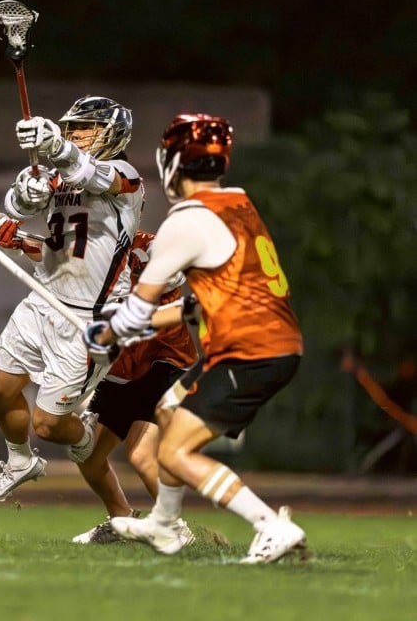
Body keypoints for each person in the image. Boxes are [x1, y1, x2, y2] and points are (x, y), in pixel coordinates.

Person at [84, 114, 306, 563]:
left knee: (176, 451)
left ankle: (270, 525)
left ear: (172, 162)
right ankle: (164, 526)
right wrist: (136, 323)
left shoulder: (185, 222)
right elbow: (196, 305)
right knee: (167, 411)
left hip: (249, 352)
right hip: (268, 342)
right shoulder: (239, 205)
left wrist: (105, 331)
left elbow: (135, 312)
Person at [0, 96, 144, 501]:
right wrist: (18, 209)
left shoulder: (124, 175)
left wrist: (57, 148)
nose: (76, 134)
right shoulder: (60, 174)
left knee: (49, 426)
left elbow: (93, 176)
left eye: (85, 127)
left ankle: (86, 435)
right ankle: (20, 460)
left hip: (91, 318)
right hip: (43, 297)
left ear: (113, 132)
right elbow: (19, 206)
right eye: (72, 128)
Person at [71, 229, 199, 544]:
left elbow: (163, 306)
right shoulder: (98, 253)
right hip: (122, 371)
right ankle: (121, 521)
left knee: (142, 455)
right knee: (89, 458)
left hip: (163, 366)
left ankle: (174, 527)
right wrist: (18, 240)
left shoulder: (149, 249)